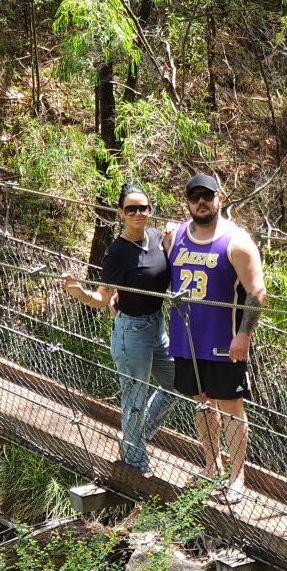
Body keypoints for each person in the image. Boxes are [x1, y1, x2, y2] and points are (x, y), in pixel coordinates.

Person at [166, 173, 267, 504]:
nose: (201, 202)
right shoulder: (176, 236)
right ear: (187, 202)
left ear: (219, 198)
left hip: (225, 341)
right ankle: (212, 466)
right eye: (195, 197)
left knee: (231, 407)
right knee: (202, 403)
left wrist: (244, 334)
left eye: (207, 196)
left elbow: (256, 292)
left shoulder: (237, 241)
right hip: (186, 339)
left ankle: (237, 478)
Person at [63, 183, 175, 474]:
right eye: (131, 209)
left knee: (177, 384)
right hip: (131, 332)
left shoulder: (157, 237)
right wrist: (81, 293)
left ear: (150, 210)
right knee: (135, 399)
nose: (138, 213)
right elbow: (103, 298)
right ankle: (136, 464)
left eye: (143, 208)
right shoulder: (116, 252)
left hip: (157, 325)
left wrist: (175, 234)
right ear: (121, 213)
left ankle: (132, 439)